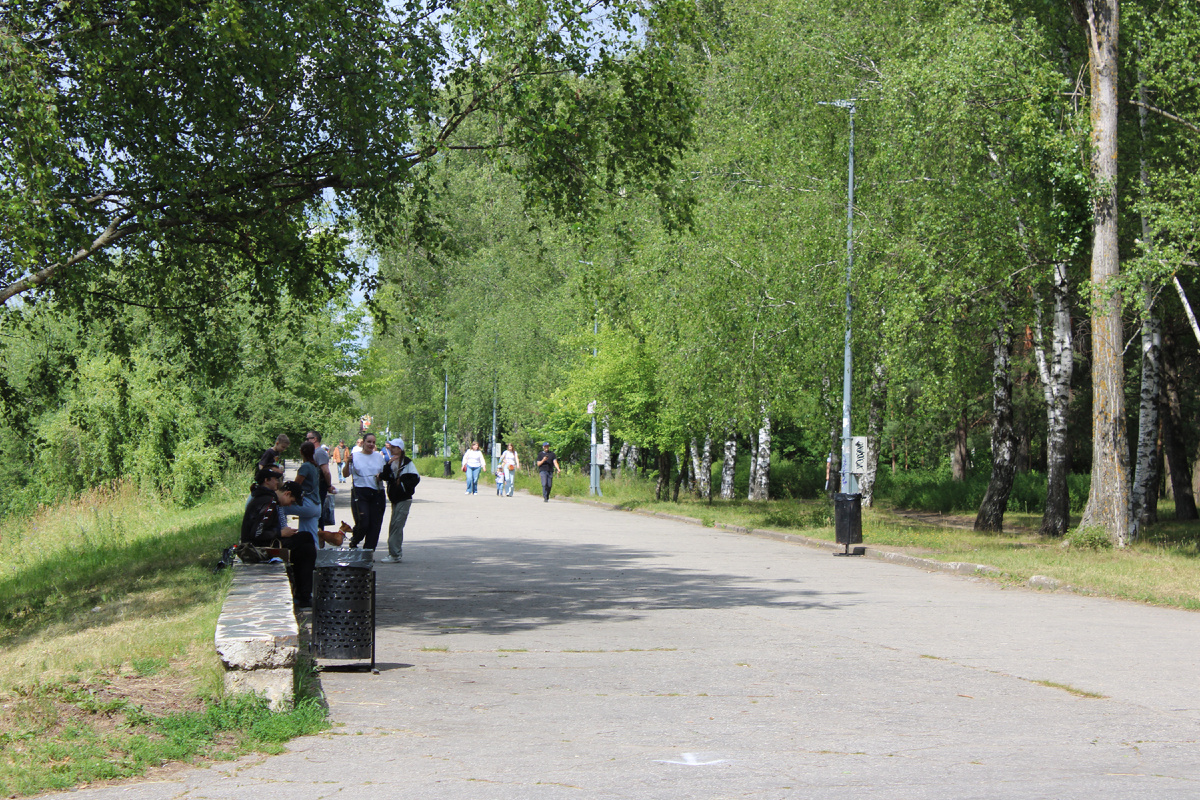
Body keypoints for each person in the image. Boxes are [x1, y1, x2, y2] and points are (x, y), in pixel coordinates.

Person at [241, 472, 314, 608]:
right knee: (306, 549)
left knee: (306, 537)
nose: (290, 506)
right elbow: (256, 534)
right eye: (292, 501)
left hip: (265, 541)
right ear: (287, 494)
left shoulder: (268, 499)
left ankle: (302, 592)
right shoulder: (269, 502)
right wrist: (280, 532)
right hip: (256, 547)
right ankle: (303, 596)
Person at [380, 438, 420, 563]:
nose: (391, 449)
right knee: (393, 525)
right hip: (394, 499)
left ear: (400, 449)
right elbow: (385, 476)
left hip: (404, 499)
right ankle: (394, 552)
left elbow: (415, 478)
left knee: (397, 525)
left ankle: (395, 554)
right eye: (390, 446)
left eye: (394, 447)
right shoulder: (391, 462)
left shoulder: (407, 463)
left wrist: (402, 484)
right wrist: (387, 465)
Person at [344, 432, 387, 550]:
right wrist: (348, 462)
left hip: (377, 491)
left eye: (373, 442)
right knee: (364, 520)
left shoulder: (378, 456)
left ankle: (368, 551)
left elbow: (385, 473)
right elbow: (345, 474)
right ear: (363, 443)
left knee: (375, 524)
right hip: (360, 491)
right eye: (369, 442)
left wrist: (381, 476)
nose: (371, 444)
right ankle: (355, 540)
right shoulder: (355, 456)